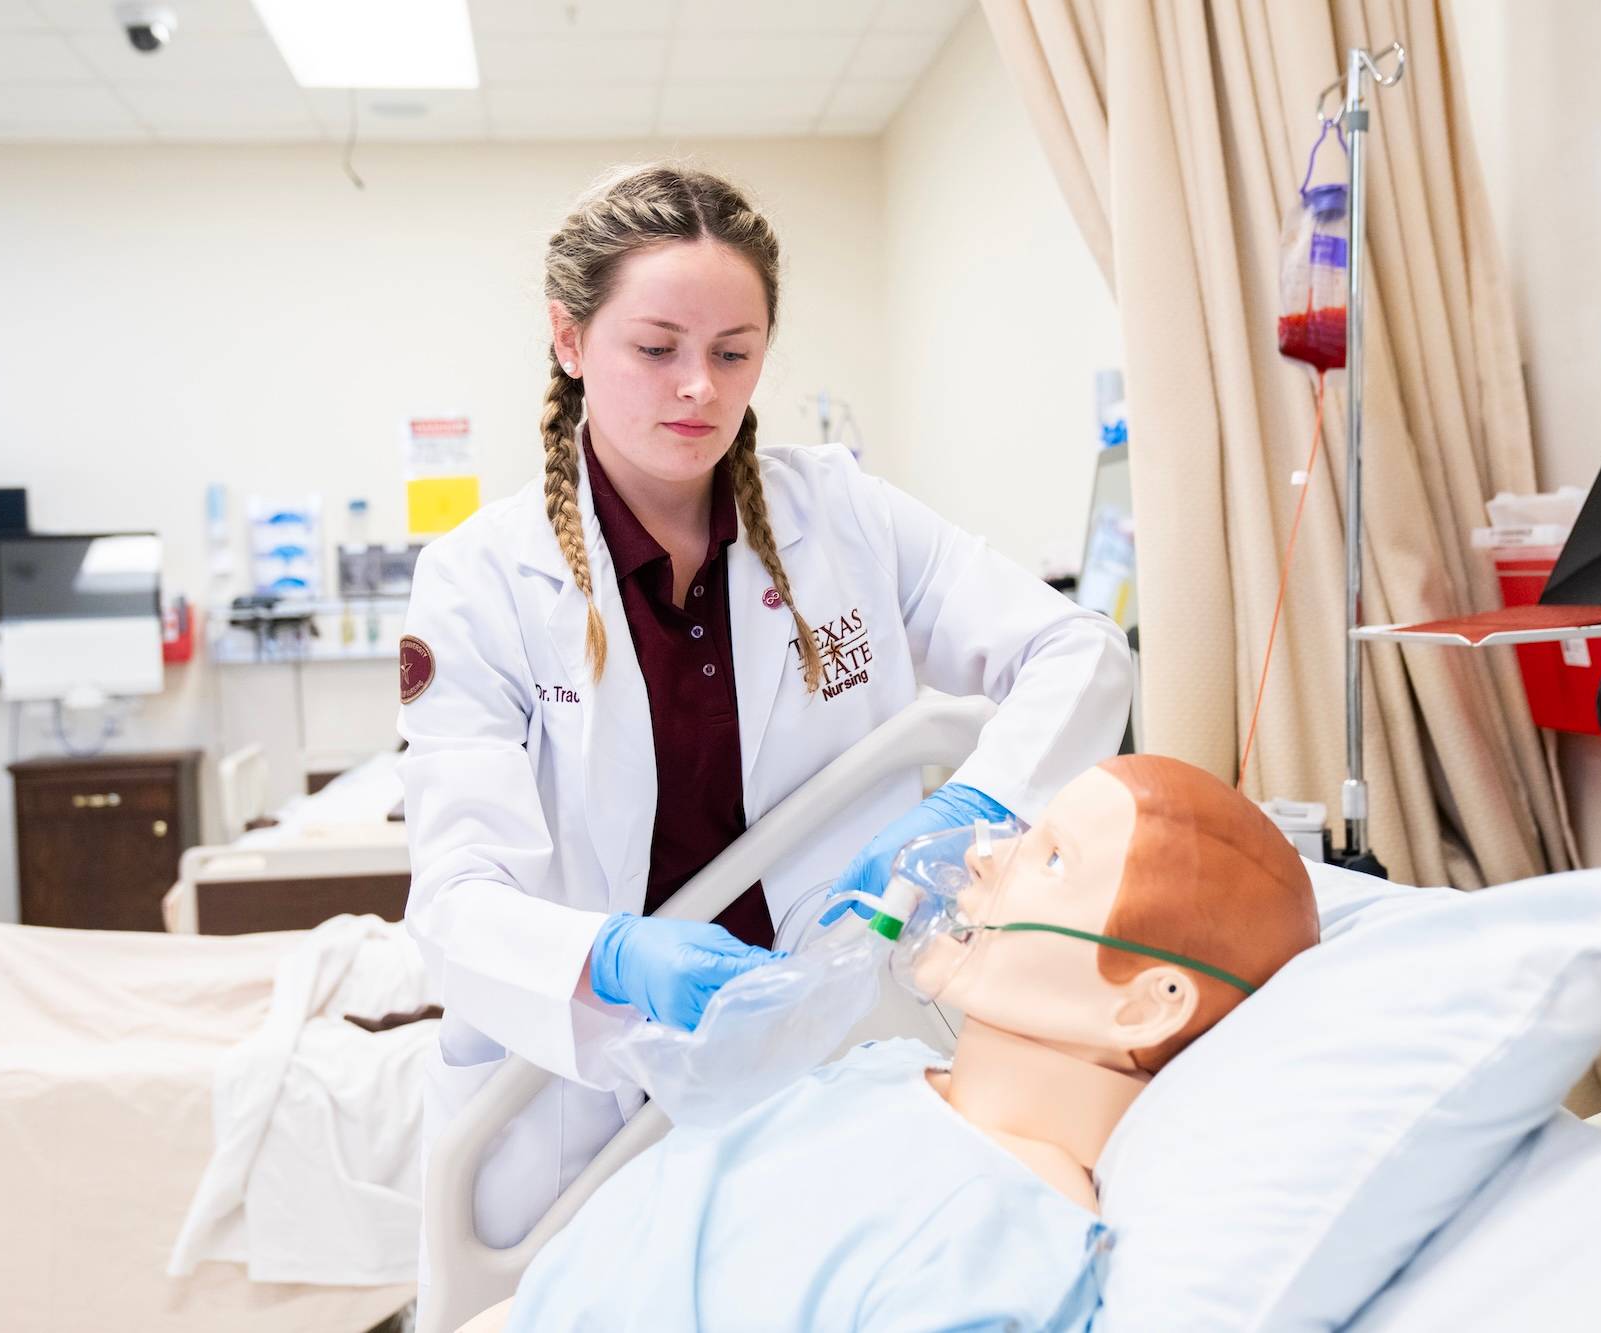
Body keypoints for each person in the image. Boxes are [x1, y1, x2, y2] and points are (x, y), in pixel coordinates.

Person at [398, 162, 1134, 1251]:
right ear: (569, 341)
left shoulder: (840, 517)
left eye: (733, 353)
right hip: (580, 1084)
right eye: (656, 349)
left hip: (823, 1047)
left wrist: (969, 802)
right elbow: (457, 899)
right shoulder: (481, 581)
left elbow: (1079, 650)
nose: (698, 386)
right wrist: (609, 956)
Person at [481, 755, 1321, 1330]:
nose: (985, 855)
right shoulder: (881, 1075)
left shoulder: (999, 1254)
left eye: (1053, 858)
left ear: (1146, 1005)